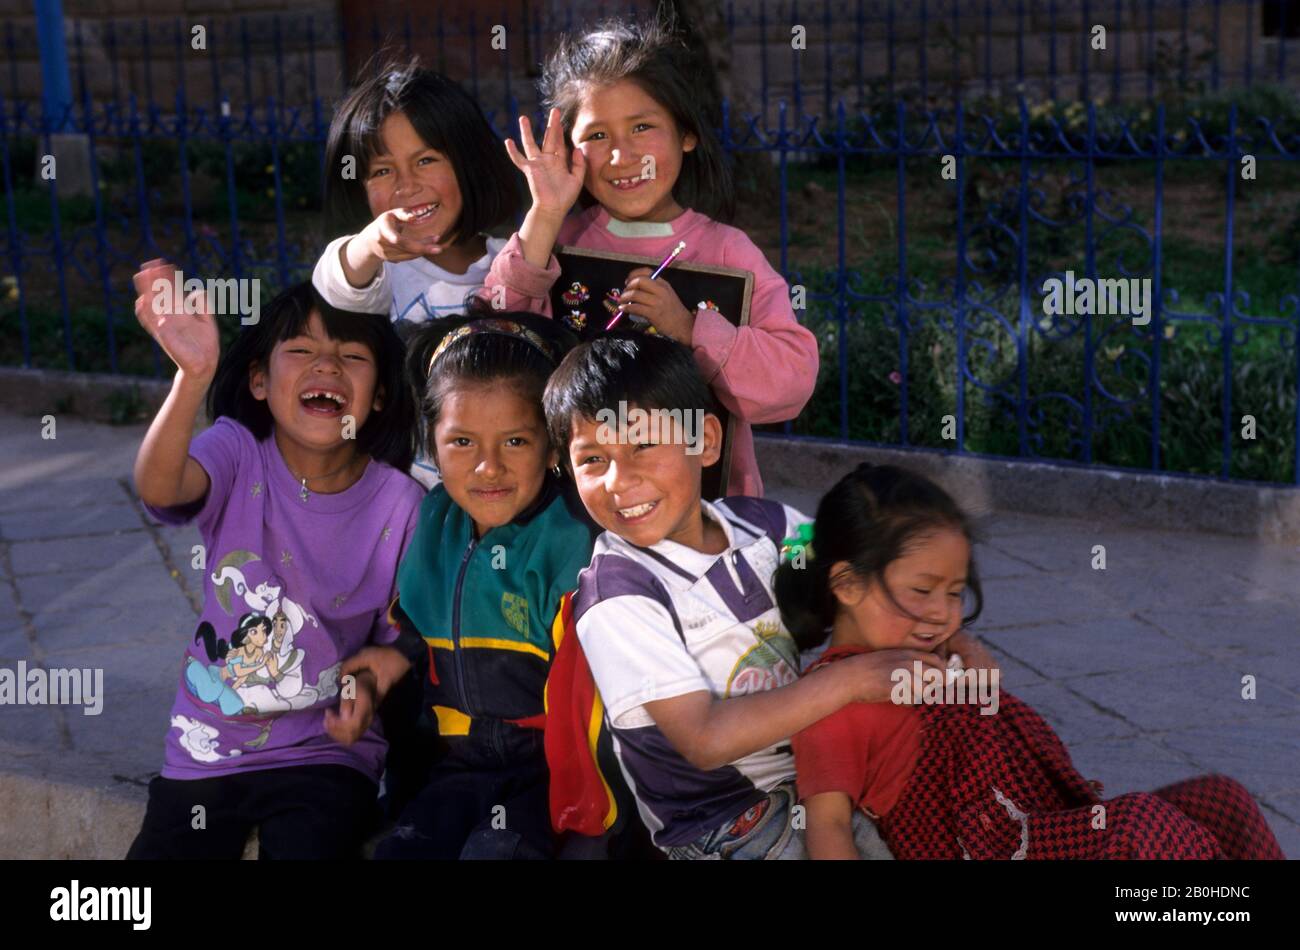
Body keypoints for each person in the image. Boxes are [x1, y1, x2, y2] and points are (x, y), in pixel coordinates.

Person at [541, 333, 942, 858]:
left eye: (642, 444)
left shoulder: (766, 526)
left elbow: (859, 576)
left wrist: (938, 635)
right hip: (726, 821)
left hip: (819, 769)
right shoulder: (618, 596)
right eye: (593, 458)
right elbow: (705, 740)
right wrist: (853, 680)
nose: (620, 479)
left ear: (705, 440)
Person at [781, 462, 1286, 860]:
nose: (941, 612)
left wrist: (968, 664)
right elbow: (826, 824)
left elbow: (987, 720)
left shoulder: (931, 652)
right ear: (847, 584)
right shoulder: (836, 697)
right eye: (922, 590)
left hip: (1045, 830)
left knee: (1223, 799)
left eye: (955, 593)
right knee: (1140, 827)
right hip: (984, 850)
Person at [126, 261, 424, 859]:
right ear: (260, 380)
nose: (327, 366)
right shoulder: (237, 452)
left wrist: (370, 680)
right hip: (207, 750)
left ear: (380, 395)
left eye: (352, 356)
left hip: (327, 757)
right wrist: (192, 377)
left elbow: (404, 640)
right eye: (302, 349)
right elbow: (160, 488)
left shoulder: (402, 502)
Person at [487, 14, 818, 497]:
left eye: (642, 126)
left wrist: (689, 328)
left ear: (686, 134)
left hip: (704, 522)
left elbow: (788, 389)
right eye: (597, 136)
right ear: (568, 150)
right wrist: (545, 213)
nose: (623, 156)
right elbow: (497, 341)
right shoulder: (557, 243)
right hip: (581, 515)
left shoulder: (728, 251)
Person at [333, 305, 601, 859]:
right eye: (462, 443)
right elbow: (417, 625)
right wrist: (382, 669)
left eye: (515, 442)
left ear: (553, 446)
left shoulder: (571, 538)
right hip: (456, 762)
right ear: (431, 442)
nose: (488, 468)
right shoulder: (436, 520)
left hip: (548, 769)